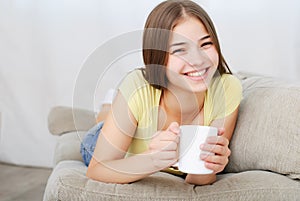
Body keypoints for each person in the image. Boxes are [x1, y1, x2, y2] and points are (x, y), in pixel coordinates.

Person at [84, 0, 242, 185]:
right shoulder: (137, 87)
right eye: (180, 50)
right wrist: (152, 160)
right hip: (121, 155)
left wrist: (210, 165)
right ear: (158, 57)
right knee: (101, 125)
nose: (198, 60)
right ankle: (107, 107)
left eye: (205, 44)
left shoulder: (228, 88)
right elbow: (96, 169)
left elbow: (198, 179)